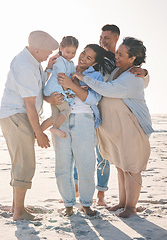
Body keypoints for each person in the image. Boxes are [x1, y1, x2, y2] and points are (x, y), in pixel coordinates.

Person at [70, 37, 153, 218]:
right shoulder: (117, 71)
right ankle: (123, 203)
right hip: (117, 129)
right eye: (117, 52)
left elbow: (107, 89)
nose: (116, 56)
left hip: (132, 127)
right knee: (122, 167)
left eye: (121, 54)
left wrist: (82, 78)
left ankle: (130, 207)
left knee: (132, 167)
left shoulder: (133, 76)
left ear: (132, 59)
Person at [46, 44, 113, 217]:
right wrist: (49, 98)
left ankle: (86, 203)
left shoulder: (95, 76)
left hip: (84, 120)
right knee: (63, 164)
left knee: (85, 163)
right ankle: (68, 203)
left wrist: (71, 84)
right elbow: (48, 89)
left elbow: (92, 98)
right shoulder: (65, 66)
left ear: (94, 63)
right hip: (62, 119)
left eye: (89, 57)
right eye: (83, 53)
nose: (83, 58)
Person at [0, 30, 59, 221]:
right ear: (37, 48)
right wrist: (39, 133)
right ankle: (19, 212)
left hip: (18, 115)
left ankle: (18, 208)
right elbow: (30, 105)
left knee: (21, 162)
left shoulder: (33, 61)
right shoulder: (25, 65)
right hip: (17, 115)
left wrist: (48, 68)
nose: (49, 54)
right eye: (47, 51)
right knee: (25, 163)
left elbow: (38, 88)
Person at [41, 36, 80, 138]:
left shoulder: (70, 63)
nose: (70, 55)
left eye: (73, 53)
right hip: (56, 89)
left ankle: (37, 133)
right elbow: (61, 77)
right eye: (67, 52)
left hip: (56, 89)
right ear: (61, 48)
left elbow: (71, 77)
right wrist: (67, 91)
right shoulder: (60, 60)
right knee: (66, 110)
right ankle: (55, 127)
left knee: (54, 116)